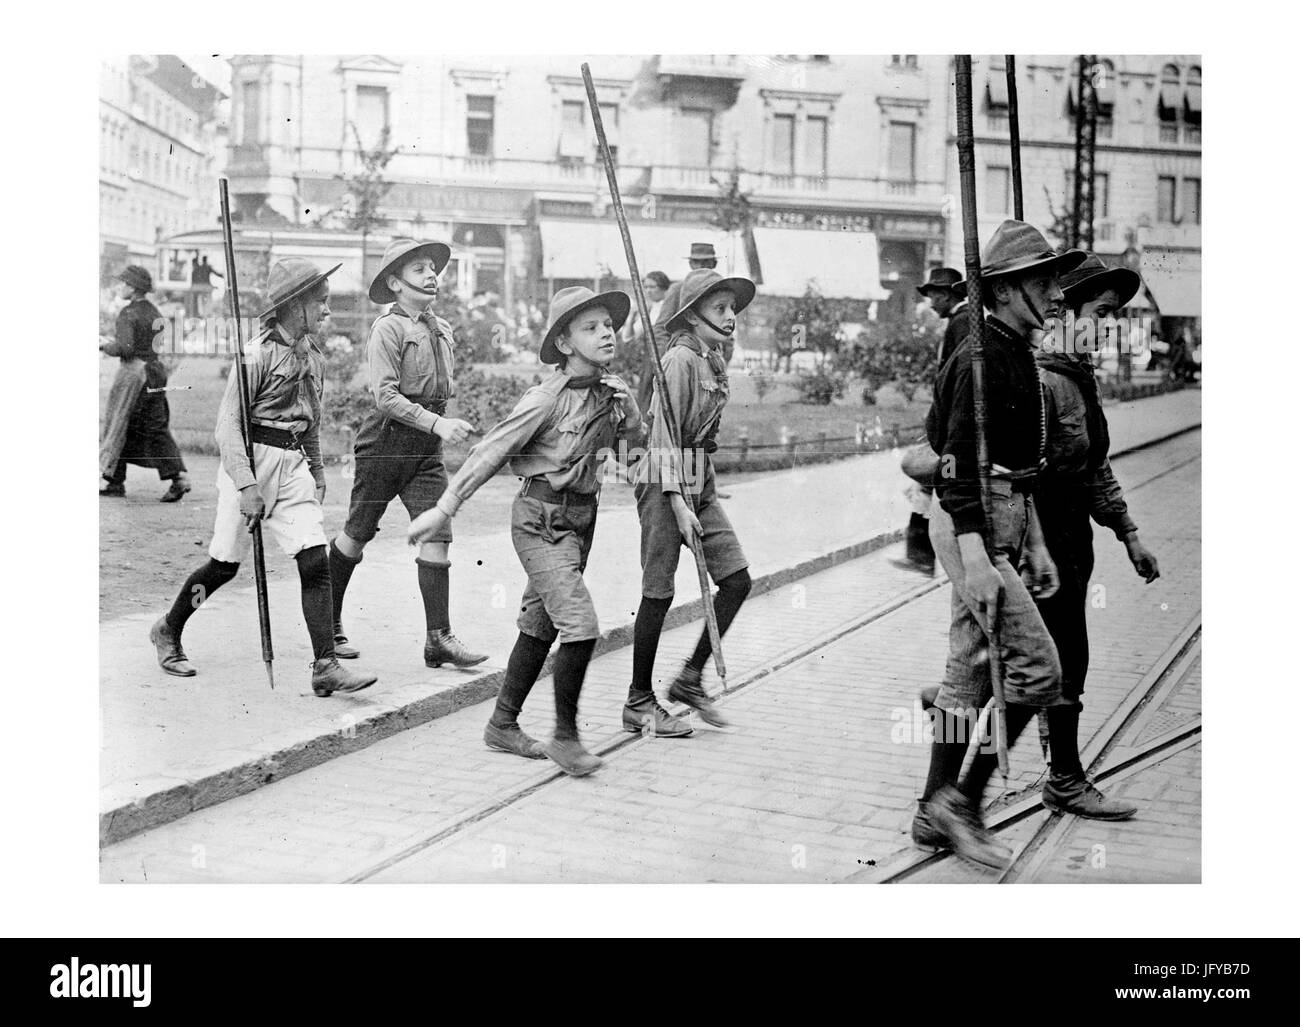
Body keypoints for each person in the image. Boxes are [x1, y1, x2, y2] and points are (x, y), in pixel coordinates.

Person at [910, 221, 1090, 870]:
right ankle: (963, 804)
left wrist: (1032, 541)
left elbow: (1022, 466)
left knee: (967, 669)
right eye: (1043, 281)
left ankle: (931, 808)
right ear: (1008, 289)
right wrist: (979, 557)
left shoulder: (1013, 351)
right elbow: (954, 463)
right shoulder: (980, 358)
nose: (1057, 294)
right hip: (971, 520)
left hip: (1001, 516)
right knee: (1039, 669)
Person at [407, 287, 641, 776]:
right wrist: (444, 509)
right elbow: (490, 451)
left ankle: (502, 724)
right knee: (580, 625)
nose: (606, 334)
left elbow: (633, 454)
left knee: (541, 624)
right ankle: (566, 738)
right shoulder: (545, 399)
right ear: (564, 344)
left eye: (608, 325)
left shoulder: (610, 393)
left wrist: (633, 416)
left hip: (581, 521)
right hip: (541, 521)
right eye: (591, 327)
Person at [149, 258, 377, 698]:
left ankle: (325, 666)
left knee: (314, 559)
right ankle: (169, 628)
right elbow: (227, 427)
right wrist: (247, 485)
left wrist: (316, 470)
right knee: (223, 565)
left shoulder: (314, 358)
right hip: (250, 462)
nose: (327, 310)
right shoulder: (254, 356)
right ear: (294, 306)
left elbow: (311, 421)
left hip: (292, 466)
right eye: (321, 301)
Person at [1031, 253, 1160, 815]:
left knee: (1043, 655)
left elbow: (1094, 466)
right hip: (1041, 539)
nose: (1109, 327)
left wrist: (1129, 535)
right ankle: (1063, 778)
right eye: (1102, 313)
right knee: (1061, 655)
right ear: (1065, 313)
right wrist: (1031, 546)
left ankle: (955, 714)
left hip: (1070, 536)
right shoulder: (1044, 381)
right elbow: (1017, 475)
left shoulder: (1077, 377)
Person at [327, 239, 487, 670]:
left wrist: (437, 425)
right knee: (357, 534)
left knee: (438, 532)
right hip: (386, 444)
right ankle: (327, 624)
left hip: (425, 448)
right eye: (419, 269)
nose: (431, 275)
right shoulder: (388, 329)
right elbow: (385, 397)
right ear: (395, 284)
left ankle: (439, 638)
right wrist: (437, 424)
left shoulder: (442, 328)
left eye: (433, 268)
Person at [625, 268, 755, 734]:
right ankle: (638, 700)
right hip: (663, 479)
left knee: (737, 580)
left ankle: (689, 679)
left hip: (699, 477)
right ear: (692, 316)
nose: (730, 316)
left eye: (732, 308)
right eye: (719, 308)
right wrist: (678, 501)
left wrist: (698, 492)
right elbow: (662, 436)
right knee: (659, 591)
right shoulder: (678, 360)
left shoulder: (711, 357)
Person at [893, 267, 970, 575]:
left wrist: (942, 423)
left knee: (935, 484)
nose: (931, 302)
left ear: (948, 294)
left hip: (951, 426)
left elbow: (957, 378)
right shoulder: (960, 321)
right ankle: (921, 554)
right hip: (947, 422)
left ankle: (927, 556)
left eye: (935, 295)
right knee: (928, 485)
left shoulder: (961, 323)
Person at [100, 265, 190, 502]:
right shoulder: (153, 311)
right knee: (153, 426)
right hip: (155, 371)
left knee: (120, 421)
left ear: (132, 287)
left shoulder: (128, 313)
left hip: (135, 375)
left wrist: (104, 345)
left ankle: (116, 480)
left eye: (122, 282)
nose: (119, 286)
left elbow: (125, 348)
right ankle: (119, 479)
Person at [623, 270, 670, 412]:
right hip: (649, 361)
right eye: (646, 287)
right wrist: (631, 317)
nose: (648, 291)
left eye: (652, 287)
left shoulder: (669, 307)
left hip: (666, 358)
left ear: (663, 288)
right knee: (646, 395)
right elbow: (629, 337)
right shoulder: (649, 309)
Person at [188, 252, 223, 318]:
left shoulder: (197, 268)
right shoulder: (207, 267)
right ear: (206, 260)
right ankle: (206, 314)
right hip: (205, 287)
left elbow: (193, 279)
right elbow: (218, 274)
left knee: (200, 300)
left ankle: (201, 314)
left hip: (198, 287)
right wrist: (224, 275)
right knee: (206, 301)